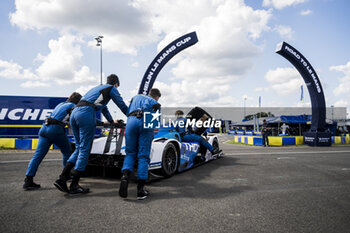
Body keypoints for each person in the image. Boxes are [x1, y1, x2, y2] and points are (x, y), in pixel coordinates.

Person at [54, 74, 128, 195]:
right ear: (116, 84)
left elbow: (104, 108)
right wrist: (132, 115)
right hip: (86, 113)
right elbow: (121, 105)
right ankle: (74, 185)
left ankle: (62, 178)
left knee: (79, 147)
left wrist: (110, 121)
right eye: (117, 87)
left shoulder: (97, 88)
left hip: (75, 113)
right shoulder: (112, 88)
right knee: (85, 149)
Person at [23, 92, 82, 190]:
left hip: (44, 129)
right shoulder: (73, 106)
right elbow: (75, 121)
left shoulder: (60, 104)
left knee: (38, 155)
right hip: (56, 129)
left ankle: (28, 180)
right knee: (67, 151)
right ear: (77, 101)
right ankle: (66, 175)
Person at [119, 88, 161, 200]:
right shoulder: (155, 103)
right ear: (156, 97)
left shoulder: (136, 97)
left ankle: (125, 177)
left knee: (130, 153)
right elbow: (155, 127)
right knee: (143, 156)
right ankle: (140, 191)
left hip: (131, 121)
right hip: (145, 122)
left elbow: (127, 111)